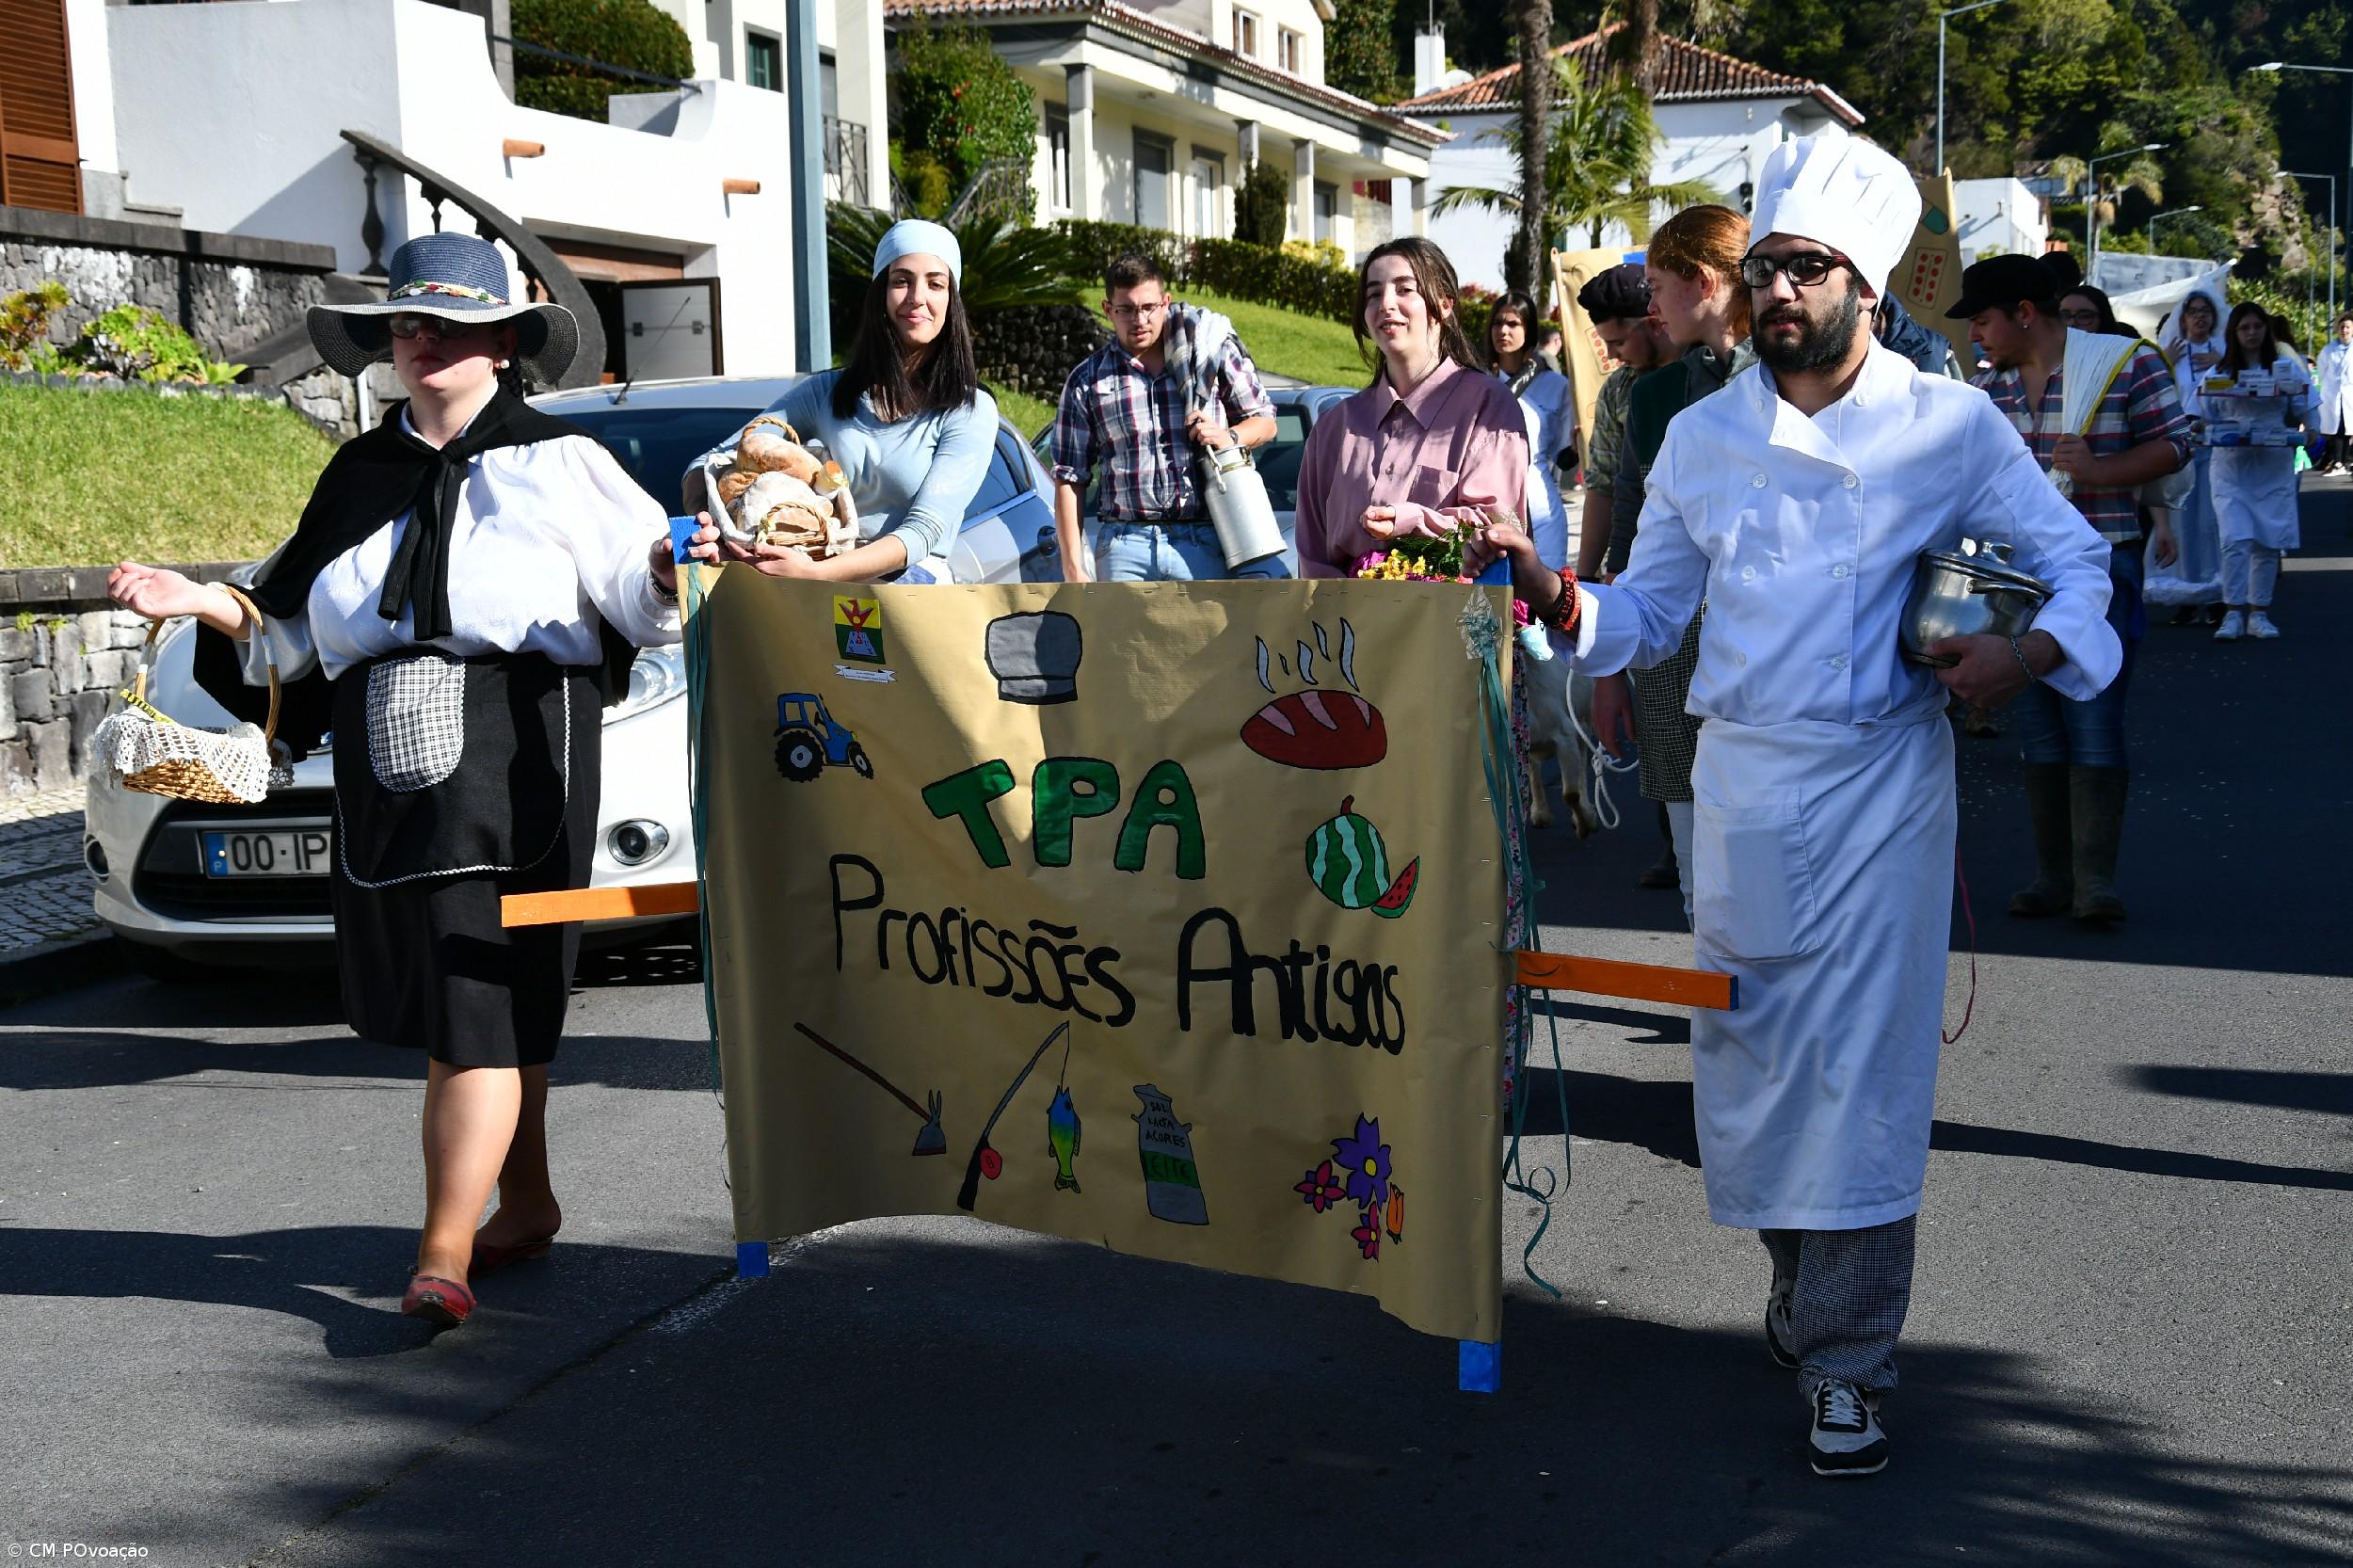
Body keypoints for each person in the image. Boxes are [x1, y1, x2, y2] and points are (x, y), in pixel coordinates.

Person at [1469, 133, 2121, 1478]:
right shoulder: (1704, 438)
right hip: (1746, 780)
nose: (1775, 289)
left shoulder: (1951, 427)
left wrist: (2022, 655)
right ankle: (1804, 1279)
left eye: (1802, 268)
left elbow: (2077, 569)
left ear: (1864, 285)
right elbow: (1644, 612)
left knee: (1867, 1078)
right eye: (1763, 266)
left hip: (1886, 782)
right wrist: (1553, 595)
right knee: (1755, 1070)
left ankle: (1848, 1360)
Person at [107, 233, 694, 1329]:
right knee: (465, 991)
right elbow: (290, 630)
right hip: (385, 758)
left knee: (478, 991)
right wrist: (201, 602)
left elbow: (641, 593)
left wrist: (668, 563)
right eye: (403, 325)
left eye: (444, 324)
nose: (418, 342)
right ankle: (527, 1200)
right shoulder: (360, 474)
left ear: (503, 343)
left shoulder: (563, 463)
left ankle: (444, 1250)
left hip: (518, 747)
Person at [1954, 253, 2188, 926]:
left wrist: (2103, 468)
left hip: (2104, 563)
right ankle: (2053, 877)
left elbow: (2176, 447)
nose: (1976, 334)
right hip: (2018, 577)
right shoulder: (1985, 391)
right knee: (2037, 723)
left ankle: (2095, 884)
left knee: (2094, 717)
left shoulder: (2125, 363)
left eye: (1983, 320)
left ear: (2024, 315)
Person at [1598, 203, 1756, 926]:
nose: (1650, 304)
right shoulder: (1655, 394)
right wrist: (1612, 668)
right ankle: (1709, 963)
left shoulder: (1797, 380)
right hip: (1673, 632)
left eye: (1658, 284)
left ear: (1702, 282)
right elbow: (1631, 526)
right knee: (1687, 812)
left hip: (1768, 643)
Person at [697, 220, 998, 584]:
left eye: (936, 284)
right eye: (901, 281)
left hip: (909, 590)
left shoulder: (969, 410)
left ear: (951, 300)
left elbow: (923, 532)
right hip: (809, 580)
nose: (917, 297)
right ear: (880, 294)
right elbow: (713, 460)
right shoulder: (826, 391)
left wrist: (817, 574)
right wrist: (716, 526)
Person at [1292, 238, 1530, 576]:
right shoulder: (1334, 426)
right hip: (1349, 624)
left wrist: (1413, 520)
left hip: (1452, 621)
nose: (1386, 304)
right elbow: (1312, 557)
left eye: (1405, 289)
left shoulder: (1488, 407)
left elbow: (1498, 528)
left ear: (1445, 304)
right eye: (1374, 294)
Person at [1051, 252, 1281, 583]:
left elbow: (1265, 421)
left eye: (1148, 308)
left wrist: (1229, 437)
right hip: (1123, 544)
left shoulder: (1209, 353)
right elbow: (1070, 477)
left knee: (1208, 636)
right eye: (1125, 310)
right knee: (1124, 637)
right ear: (1107, 310)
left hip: (1206, 538)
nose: (1139, 320)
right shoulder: (1087, 380)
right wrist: (1073, 568)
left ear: (1165, 302)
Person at [1572, 264, 1680, 890]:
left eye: (1618, 340)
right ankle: (1675, 842)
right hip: (1643, 575)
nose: (1613, 355)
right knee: (1658, 714)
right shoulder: (1618, 394)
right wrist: (1584, 582)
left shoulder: (1723, 376)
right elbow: (1603, 490)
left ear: (1653, 319)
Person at [2208, 302, 2310, 640]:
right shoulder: (2218, 375)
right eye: (2244, 327)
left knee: (2267, 541)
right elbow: (2200, 417)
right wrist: (2199, 432)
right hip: (2231, 466)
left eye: (2257, 326)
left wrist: (2310, 432)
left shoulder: (2287, 370)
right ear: (2234, 333)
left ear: (2266, 330)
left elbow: (2307, 408)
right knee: (2234, 539)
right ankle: (2232, 612)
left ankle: (2259, 613)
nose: (2251, 333)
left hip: (2272, 464)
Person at [2151, 289, 2228, 622]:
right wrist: (2166, 359)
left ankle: (2216, 594)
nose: (2200, 317)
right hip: (2181, 441)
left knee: (2211, 519)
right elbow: (2155, 390)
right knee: (2181, 518)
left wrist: (2222, 362)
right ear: (2182, 319)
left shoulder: (2225, 351)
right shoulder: (2171, 353)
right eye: (2193, 311)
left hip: (2215, 441)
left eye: (2205, 311)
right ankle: (2185, 592)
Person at [1486, 289, 1577, 567]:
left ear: (1529, 330)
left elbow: (1563, 457)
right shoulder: (1477, 383)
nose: (1503, 330)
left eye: (1513, 324)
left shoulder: (1557, 386)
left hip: (1540, 504)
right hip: (1487, 501)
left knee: (1546, 593)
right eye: (1498, 323)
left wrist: (1579, 446)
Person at [2314, 312, 2353, 472]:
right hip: (2333, 394)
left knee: (2348, 428)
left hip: (2350, 394)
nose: (2344, 330)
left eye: (2348, 327)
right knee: (2338, 428)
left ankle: (2345, 461)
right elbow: (2322, 372)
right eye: (2342, 327)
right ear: (2337, 330)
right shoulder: (2328, 350)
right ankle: (2338, 461)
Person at [2057, 284, 2129, 337]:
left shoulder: (2121, 354)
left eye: (2084, 316)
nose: (2072, 323)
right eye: (2065, 316)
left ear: (2103, 319)